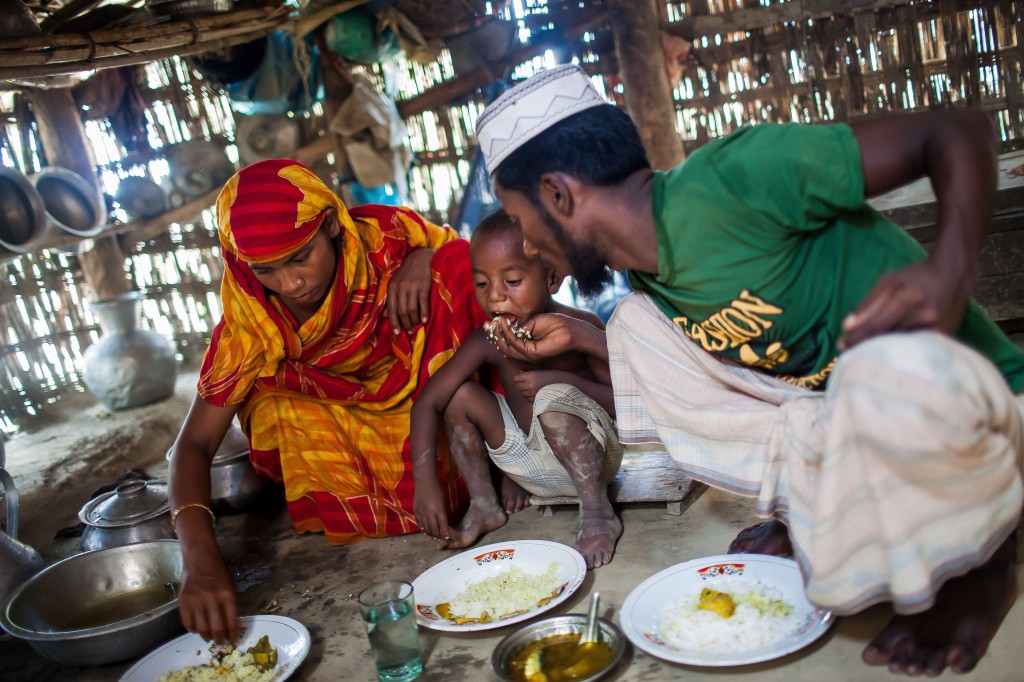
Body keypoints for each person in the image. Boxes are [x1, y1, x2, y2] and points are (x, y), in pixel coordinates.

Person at [475, 64, 1024, 676]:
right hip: (863, 417)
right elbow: (776, 382)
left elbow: (956, 130)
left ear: (558, 195)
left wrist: (948, 270)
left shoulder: (731, 179)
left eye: (520, 220)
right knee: (634, 325)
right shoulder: (648, 276)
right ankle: (816, 503)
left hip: (974, 408)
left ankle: (988, 555)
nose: (525, 245)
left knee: (872, 358)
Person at [167, 159, 490, 644]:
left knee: (458, 268)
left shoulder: (383, 236)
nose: (291, 283)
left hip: (420, 403)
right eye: (266, 270)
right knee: (264, 381)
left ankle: (499, 465)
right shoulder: (251, 323)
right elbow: (191, 447)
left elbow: (456, 246)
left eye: (301, 257)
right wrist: (199, 559)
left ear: (334, 226)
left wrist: (423, 257)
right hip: (335, 433)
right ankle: (341, 498)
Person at [409, 209, 623, 569]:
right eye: (482, 283)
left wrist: (562, 382)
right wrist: (425, 482)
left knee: (551, 401)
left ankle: (598, 514)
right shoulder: (487, 340)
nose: (495, 298)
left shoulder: (580, 327)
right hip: (529, 467)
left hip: (592, 468)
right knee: (458, 395)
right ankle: (484, 504)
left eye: (512, 281)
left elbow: (624, 404)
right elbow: (428, 402)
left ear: (551, 277)